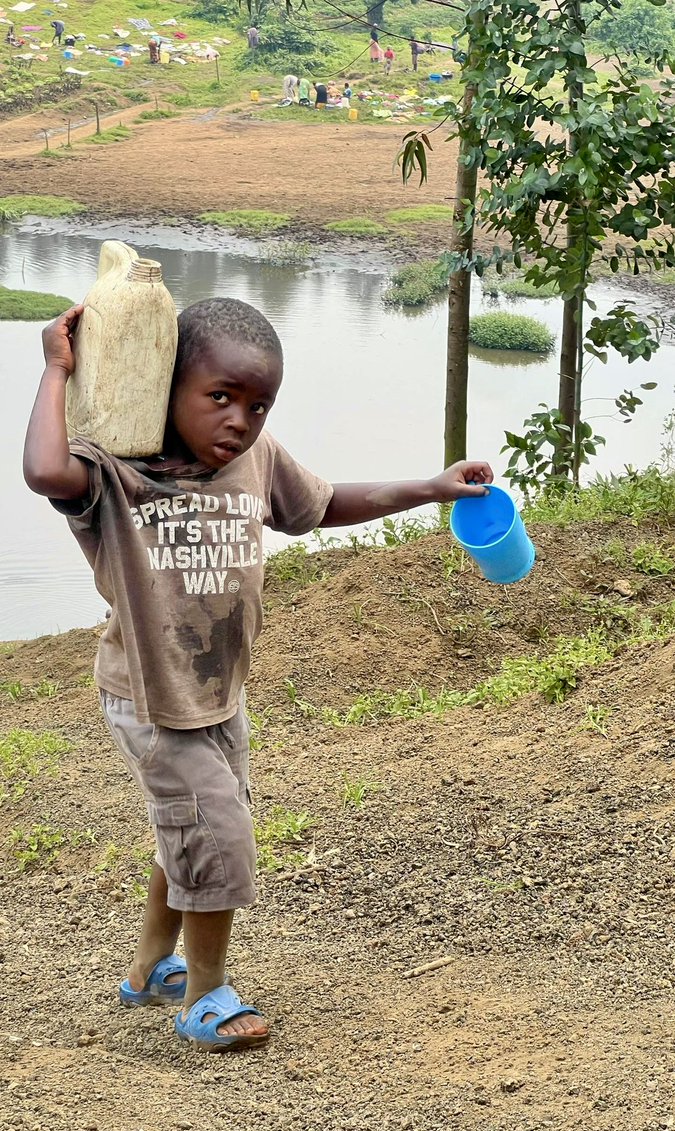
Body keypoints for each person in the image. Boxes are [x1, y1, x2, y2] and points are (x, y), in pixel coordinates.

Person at [23, 298, 493, 1053]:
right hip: (149, 695)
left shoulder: (254, 461)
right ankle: (205, 993)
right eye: (220, 398)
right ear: (163, 386)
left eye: (257, 404)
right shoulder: (115, 471)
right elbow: (45, 469)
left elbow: (323, 503)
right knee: (217, 831)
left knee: (194, 831)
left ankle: (149, 971)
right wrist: (56, 367)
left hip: (219, 691)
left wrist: (428, 489)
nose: (239, 420)